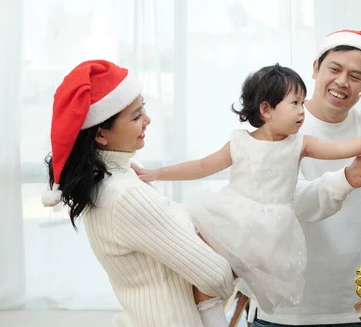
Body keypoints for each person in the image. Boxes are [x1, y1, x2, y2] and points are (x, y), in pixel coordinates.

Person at [133, 64, 361, 322]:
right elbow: (202, 166)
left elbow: (345, 148)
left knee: (219, 279)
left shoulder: (300, 144)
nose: (302, 112)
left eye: (303, 103)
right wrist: (157, 173)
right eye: (295, 103)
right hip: (232, 215)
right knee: (203, 274)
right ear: (266, 109)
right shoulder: (240, 141)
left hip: (269, 230)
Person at [250, 30, 361, 327]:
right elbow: (287, 202)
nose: (342, 82)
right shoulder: (279, 128)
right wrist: (346, 178)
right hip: (289, 313)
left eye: (356, 76)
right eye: (334, 69)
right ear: (316, 68)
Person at [41, 60, 234, 327]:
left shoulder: (115, 178)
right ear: (100, 135)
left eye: (144, 108)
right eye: (135, 116)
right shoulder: (125, 195)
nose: (148, 120)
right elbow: (216, 277)